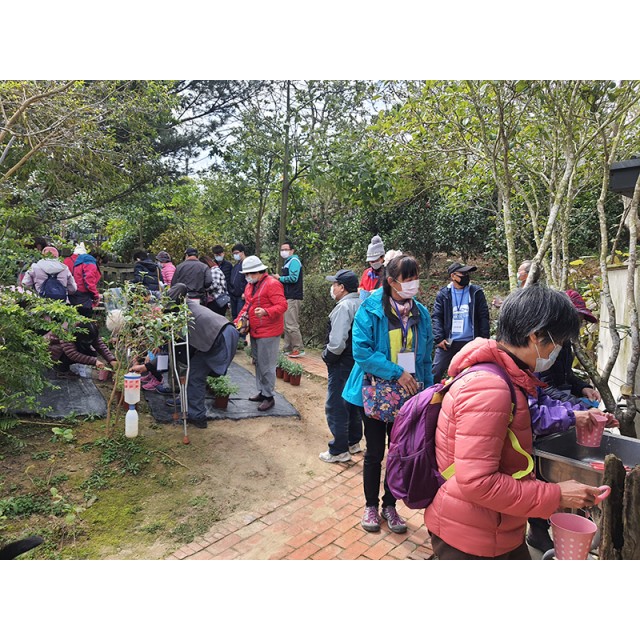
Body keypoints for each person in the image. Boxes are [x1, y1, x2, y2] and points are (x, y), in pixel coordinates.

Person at [424, 285, 617, 560]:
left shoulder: (511, 375)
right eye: (558, 341)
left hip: (493, 525)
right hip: (471, 534)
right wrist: (556, 495)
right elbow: (477, 482)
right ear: (535, 335)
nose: (559, 349)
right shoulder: (489, 388)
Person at [342, 254, 434, 534]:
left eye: (416, 276)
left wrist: (427, 394)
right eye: (408, 278)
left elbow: (425, 357)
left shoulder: (421, 313)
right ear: (392, 281)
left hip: (408, 394)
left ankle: (390, 506)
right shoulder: (369, 309)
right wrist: (398, 372)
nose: (414, 283)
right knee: (374, 453)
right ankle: (371, 505)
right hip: (375, 393)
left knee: (399, 453)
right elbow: (362, 352)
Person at [131, 284, 239, 428]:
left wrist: (146, 367)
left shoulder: (177, 317)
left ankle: (197, 417)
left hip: (219, 338)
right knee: (192, 370)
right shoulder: (184, 306)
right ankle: (187, 402)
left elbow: (173, 353)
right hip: (222, 332)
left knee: (194, 375)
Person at [319, 269, 363, 463]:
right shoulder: (361, 303)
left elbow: (337, 343)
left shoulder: (344, 307)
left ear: (342, 287)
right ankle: (353, 442)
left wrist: (327, 356)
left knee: (336, 405)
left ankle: (339, 450)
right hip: (357, 361)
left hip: (342, 362)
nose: (332, 288)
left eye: (335, 284)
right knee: (352, 402)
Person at [236, 255, 288, 412]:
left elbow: (282, 305)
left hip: (269, 331)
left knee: (267, 365)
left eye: (248, 274)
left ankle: (269, 396)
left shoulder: (272, 284)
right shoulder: (251, 286)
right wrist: (237, 321)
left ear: (257, 272)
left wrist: (266, 311)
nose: (247, 277)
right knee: (258, 362)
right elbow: (247, 306)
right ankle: (262, 391)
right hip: (256, 330)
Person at [539, 289, 601, 407]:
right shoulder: (543, 344)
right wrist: (577, 404)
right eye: (574, 321)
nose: (575, 327)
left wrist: (583, 388)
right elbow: (542, 387)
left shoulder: (564, 343)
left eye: (580, 322)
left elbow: (566, 375)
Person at [431, 261, 490, 383]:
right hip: (448, 342)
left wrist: (484, 339)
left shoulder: (476, 292)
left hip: (471, 341)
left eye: (467, 273)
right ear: (453, 276)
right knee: (436, 371)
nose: (466, 276)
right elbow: (437, 316)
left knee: (474, 373)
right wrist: (439, 337)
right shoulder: (443, 294)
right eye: (463, 274)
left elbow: (483, 317)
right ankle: (430, 398)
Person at [46, 320, 117, 378]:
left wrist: (111, 359)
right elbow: (72, 353)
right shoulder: (67, 330)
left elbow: (100, 345)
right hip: (54, 350)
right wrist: (94, 361)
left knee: (91, 352)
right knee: (64, 352)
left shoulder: (90, 329)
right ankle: (61, 370)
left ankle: (67, 367)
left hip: (71, 345)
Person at [274, 240, 304, 357]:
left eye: (286, 249)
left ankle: (298, 348)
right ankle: (288, 348)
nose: (284, 252)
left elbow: (293, 278)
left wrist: (279, 278)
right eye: (282, 249)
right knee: (286, 324)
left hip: (293, 296)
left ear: (292, 251)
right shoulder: (288, 262)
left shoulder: (294, 261)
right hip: (287, 296)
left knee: (292, 324)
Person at [68, 244, 102, 317]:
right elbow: (89, 280)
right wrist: (96, 296)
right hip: (84, 297)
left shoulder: (72, 262)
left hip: (72, 295)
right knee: (85, 321)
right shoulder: (88, 261)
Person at [229, 243, 248, 336]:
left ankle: (242, 337)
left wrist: (246, 292)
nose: (235, 255)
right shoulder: (236, 265)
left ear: (242, 252)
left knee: (242, 317)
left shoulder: (247, 263)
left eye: (236, 253)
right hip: (234, 295)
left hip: (242, 296)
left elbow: (249, 280)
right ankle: (236, 337)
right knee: (235, 316)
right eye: (234, 253)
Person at [358, 234, 385, 300]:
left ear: (382, 258)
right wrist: (360, 290)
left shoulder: (391, 272)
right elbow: (361, 287)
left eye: (375, 260)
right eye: (371, 261)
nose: (373, 263)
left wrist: (379, 292)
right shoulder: (366, 272)